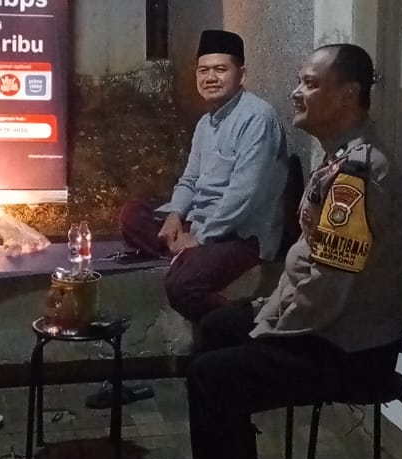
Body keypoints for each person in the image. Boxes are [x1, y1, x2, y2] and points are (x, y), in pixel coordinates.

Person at [144, 43, 402, 459]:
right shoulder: (338, 158)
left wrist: (266, 328)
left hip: (347, 348)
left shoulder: (355, 178)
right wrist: (263, 313)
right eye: (299, 80)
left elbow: (327, 291)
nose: (296, 92)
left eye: (311, 83)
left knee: (212, 377)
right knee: (219, 325)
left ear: (348, 94)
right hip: (325, 328)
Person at [119, 30, 288, 323]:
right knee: (132, 215)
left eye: (220, 70)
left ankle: (245, 326)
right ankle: (182, 254)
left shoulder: (257, 118)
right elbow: (189, 179)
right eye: (203, 70)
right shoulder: (205, 124)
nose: (210, 78)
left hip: (241, 235)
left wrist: (200, 238)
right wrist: (175, 215)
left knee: (182, 286)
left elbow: (243, 196)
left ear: (241, 75)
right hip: (202, 221)